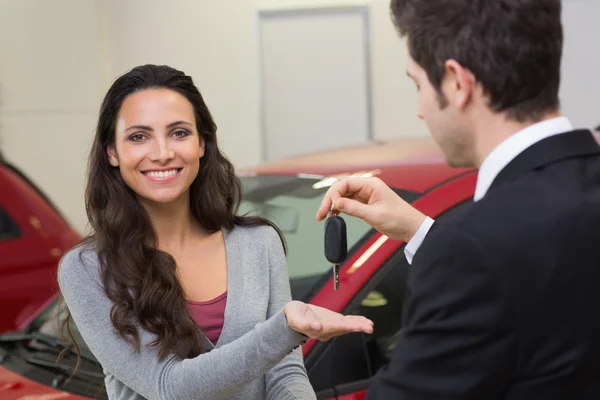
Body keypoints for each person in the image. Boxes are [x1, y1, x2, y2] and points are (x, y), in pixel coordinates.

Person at [316, 0, 600, 398]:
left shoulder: (472, 250)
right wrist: (419, 231)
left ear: (456, 83)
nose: (419, 110)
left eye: (418, 85)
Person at [57, 64, 373, 400]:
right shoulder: (87, 268)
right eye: (138, 136)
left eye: (179, 132)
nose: (162, 153)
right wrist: (285, 329)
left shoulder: (258, 244)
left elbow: (284, 372)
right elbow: (168, 386)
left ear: (202, 143)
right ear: (112, 152)